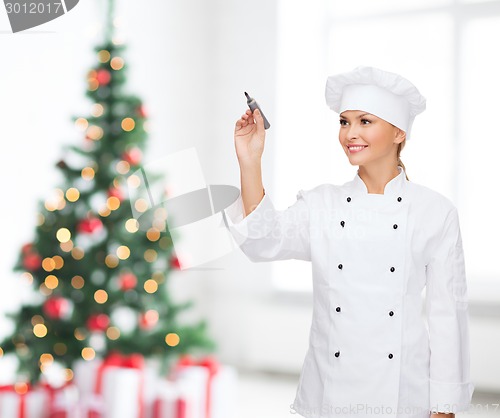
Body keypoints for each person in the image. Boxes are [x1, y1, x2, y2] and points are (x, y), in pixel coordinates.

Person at [222, 66, 474, 418]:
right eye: (344, 122)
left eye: (365, 121)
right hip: (331, 393)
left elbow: (448, 314)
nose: (349, 133)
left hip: (403, 393)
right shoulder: (322, 204)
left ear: (399, 131)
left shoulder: (435, 212)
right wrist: (250, 162)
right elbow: (262, 242)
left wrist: (445, 406)